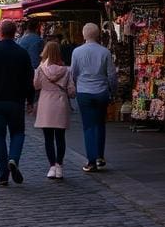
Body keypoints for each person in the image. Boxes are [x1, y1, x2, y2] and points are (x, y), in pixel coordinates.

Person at [0, 20, 35, 186]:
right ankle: (14, 158)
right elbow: (28, 79)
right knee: (18, 133)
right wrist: (31, 100)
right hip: (16, 99)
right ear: (15, 32)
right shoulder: (22, 53)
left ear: (0, 32)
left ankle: (3, 173)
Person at [70, 22, 117, 173]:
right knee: (100, 124)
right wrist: (113, 90)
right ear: (97, 35)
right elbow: (111, 74)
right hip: (101, 91)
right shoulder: (105, 52)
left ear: (84, 35)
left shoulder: (77, 52)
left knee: (88, 126)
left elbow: (74, 73)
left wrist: (77, 84)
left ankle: (91, 160)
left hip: (84, 91)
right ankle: (100, 156)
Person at [33, 41, 75, 179]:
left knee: (48, 138)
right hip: (60, 103)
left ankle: (51, 166)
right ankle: (59, 165)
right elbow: (71, 91)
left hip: (46, 103)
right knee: (60, 137)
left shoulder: (40, 69)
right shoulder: (66, 70)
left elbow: (36, 85)